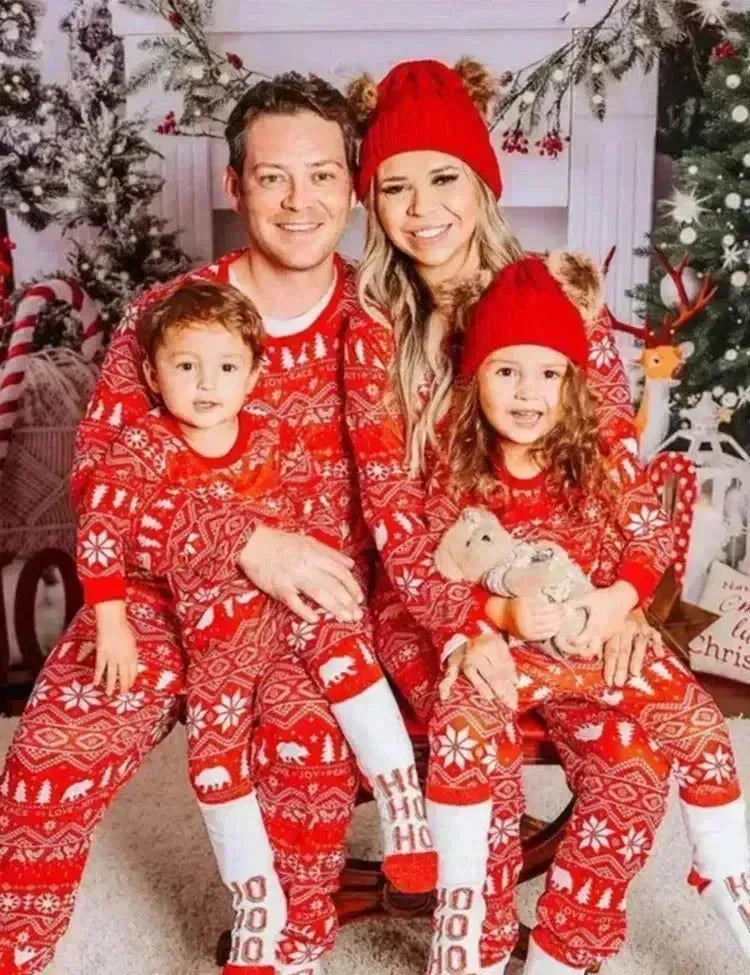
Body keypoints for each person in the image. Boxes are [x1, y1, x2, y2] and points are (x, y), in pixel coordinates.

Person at [0, 73, 371, 975]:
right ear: (235, 185)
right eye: (274, 177)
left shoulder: (381, 319)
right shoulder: (164, 317)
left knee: (309, 761)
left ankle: (282, 951)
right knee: (49, 758)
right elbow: (100, 480)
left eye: (322, 175)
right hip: (154, 599)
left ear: (353, 187)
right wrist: (240, 537)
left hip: (305, 615)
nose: (300, 200)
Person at [343, 58, 680, 974]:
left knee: (635, 766)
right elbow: (391, 511)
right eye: (394, 187)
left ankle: (566, 951)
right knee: (477, 748)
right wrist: (466, 624)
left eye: (443, 178)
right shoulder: (373, 327)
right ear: (372, 201)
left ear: (483, 183)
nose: (422, 209)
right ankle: (479, 951)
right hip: (437, 602)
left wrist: (621, 598)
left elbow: (619, 468)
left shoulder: (553, 294)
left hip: (571, 598)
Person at [77, 278, 437, 970]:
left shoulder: (270, 434)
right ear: (152, 374)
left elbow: (309, 518)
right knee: (214, 760)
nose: (206, 384)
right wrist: (112, 622)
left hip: (292, 605)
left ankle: (404, 810)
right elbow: (100, 530)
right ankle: (255, 904)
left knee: (344, 648)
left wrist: (330, 579)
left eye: (225, 367)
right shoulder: (144, 447)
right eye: (186, 366)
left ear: (252, 374)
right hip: (220, 634)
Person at [432, 254, 750, 973]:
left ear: (573, 381)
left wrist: (619, 600)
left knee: (688, 731)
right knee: (465, 732)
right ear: (475, 376)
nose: (528, 393)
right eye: (507, 371)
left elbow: (649, 535)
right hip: (510, 654)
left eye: (549, 373)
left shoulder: (597, 459)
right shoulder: (456, 468)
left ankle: (721, 874)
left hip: (593, 646)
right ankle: (468, 931)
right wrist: (497, 611)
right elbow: (433, 572)